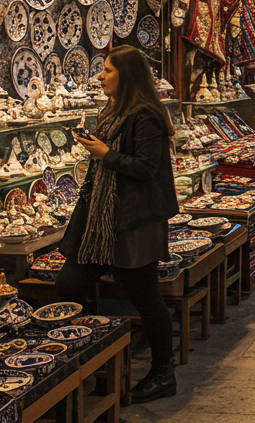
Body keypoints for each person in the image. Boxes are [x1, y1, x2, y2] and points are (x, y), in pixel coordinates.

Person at [59, 46, 179, 401]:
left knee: (144, 294)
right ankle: (95, 364)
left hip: (134, 219)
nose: (100, 75)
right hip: (102, 220)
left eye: (108, 70)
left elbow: (146, 168)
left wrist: (104, 154)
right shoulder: (113, 111)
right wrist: (98, 149)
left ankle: (162, 373)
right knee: (70, 284)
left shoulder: (145, 116)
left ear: (126, 75)